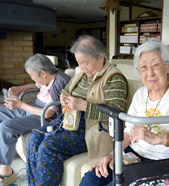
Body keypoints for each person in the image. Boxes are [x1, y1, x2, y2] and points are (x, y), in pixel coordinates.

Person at [79, 41, 169, 186]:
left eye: (155, 65)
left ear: (168, 66)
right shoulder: (141, 93)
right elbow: (128, 133)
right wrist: (112, 155)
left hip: (163, 162)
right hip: (132, 155)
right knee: (90, 179)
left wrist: (159, 138)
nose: (150, 72)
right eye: (144, 67)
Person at [26, 35, 128, 186]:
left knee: (49, 146)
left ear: (100, 57)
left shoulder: (114, 78)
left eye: (85, 62)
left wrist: (84, 106)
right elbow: (66, 89)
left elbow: (116, 112)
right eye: (79, 63)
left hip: (91, 131)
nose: (82, 67)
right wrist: (63, 97)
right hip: (68, 122)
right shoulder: (81, 74)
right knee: (33, 138)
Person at [0, 53, 70, 185]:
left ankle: (6, 173)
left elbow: (48, 114)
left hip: (44, 117)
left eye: (32, 75)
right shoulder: (48, 76)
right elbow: (38, 85)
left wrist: (20, 105)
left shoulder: (60, 83)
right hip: (33, 108)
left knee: (7, 126)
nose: (32, 78)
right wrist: (22, 88)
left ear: (43, 73)